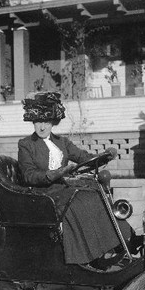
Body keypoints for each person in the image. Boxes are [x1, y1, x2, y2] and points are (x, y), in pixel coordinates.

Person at [18, 91, 127, 267]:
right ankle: (89, 257)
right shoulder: (26, 144)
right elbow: (28, 175)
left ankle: (114, 245)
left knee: (93, 195)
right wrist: (54, 174)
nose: (42, 126)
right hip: (42, 193)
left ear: (53, 122)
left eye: (46, 121)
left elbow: (83, 156)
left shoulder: (62, 142)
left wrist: (104, 156)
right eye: (38, 121)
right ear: (33, 122)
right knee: (79, 203)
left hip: (61, 188)